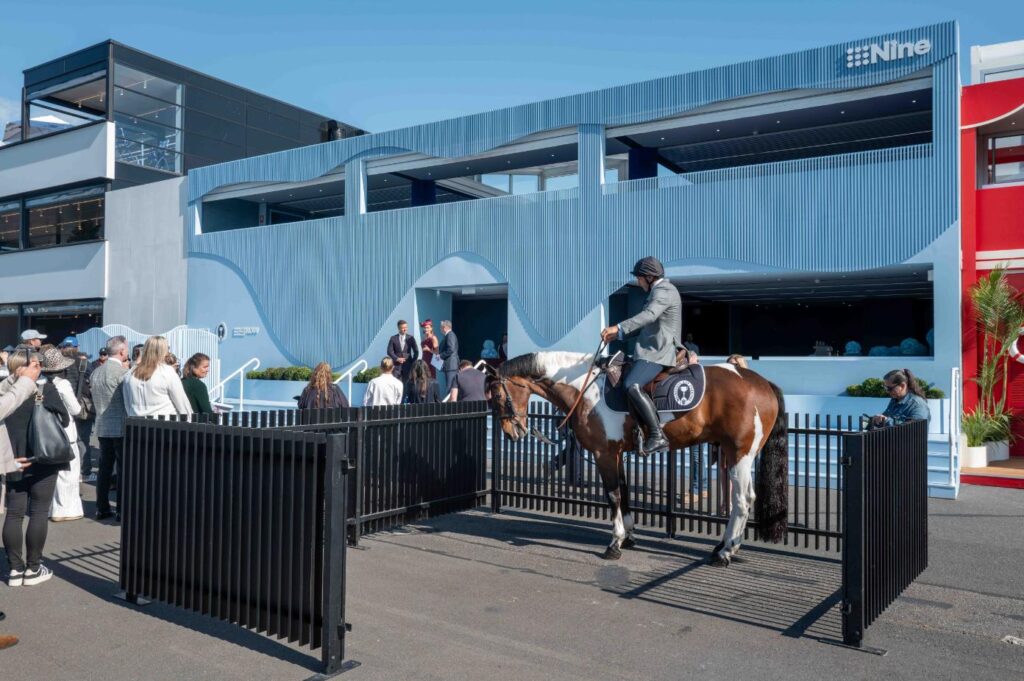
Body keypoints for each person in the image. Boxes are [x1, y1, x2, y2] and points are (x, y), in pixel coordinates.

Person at [600, 256, 682, 455]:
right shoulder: (657, 290)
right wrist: (618, 335)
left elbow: (649, 316)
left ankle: (657, 435)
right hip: (650, 350)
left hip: (658, 352)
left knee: (631, 385)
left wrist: (618, 327)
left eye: (639, 278)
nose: (637, 282)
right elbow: (647, 325)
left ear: (648, 277)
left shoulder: (663, 291)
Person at [3, 351, 69, 587]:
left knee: (14, 513)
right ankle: (33, 568)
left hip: (11, 456)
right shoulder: (44, 389)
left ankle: (14, 569)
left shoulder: (3, 390)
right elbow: (65, 419)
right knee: (39, 511)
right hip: (42, 456)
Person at [38, 349, 84, 522]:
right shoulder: (63, 384)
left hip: (46, 430)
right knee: (69, 472)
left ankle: (53, 507)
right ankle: (66, 509)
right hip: (65, 431)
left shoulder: (39, 382)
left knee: (52, 473)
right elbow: (75, 409)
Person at [91, 337, 129, 521]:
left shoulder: (96, 372)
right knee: (122, 469)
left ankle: (101, 507)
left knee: (105, 468)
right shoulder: (122, 373)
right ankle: (121, 509)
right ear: (121, 352)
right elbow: (128, 400)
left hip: (102, 424)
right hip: (120, 426)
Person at [122, 336, 192, 419]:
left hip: (136, 425)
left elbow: (127, 404)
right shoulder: (167, 372)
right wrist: (190, 420)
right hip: (164, 425)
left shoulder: (130, 373)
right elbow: (182, 403)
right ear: (163, 351)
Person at [438, 320, 460, 393]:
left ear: (444, 327)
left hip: (451, 366)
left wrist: (440, 356)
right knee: (450, 386)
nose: (440, 329)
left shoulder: (450, 335)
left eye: (440, 327)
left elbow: (451, 349)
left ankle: (450, 404)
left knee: (450, 387)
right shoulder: (448, 335)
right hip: (449, 366)